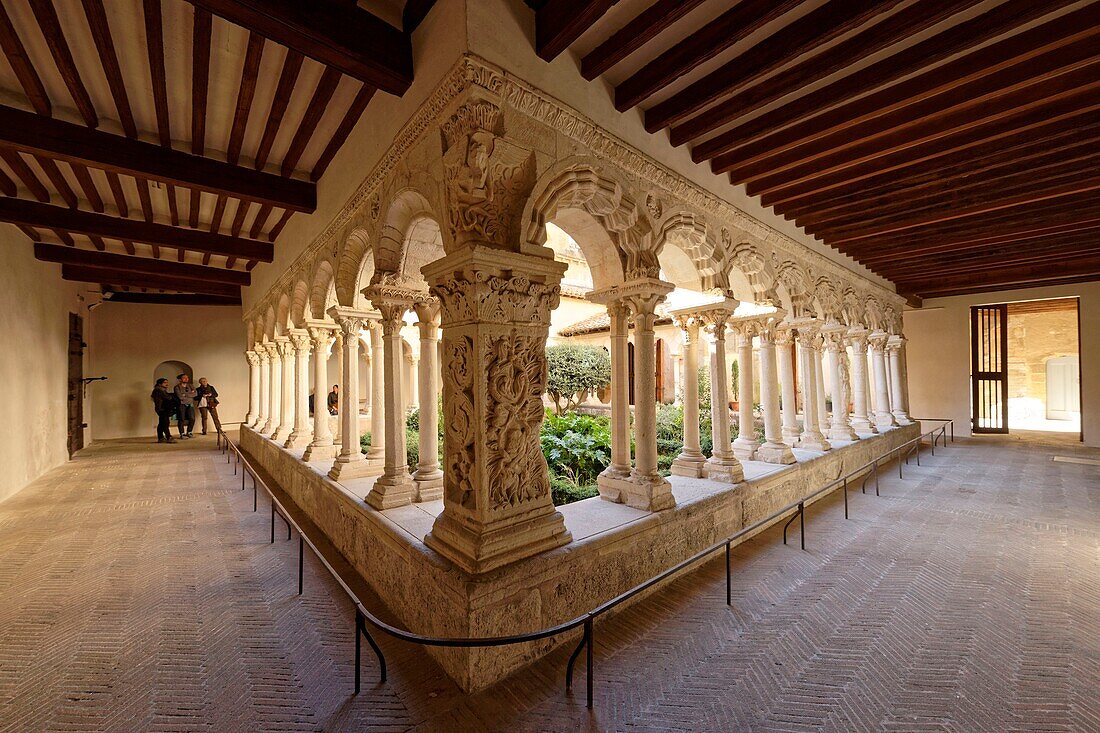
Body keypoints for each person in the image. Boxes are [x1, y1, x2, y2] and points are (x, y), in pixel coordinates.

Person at [151, 378, 177, 444]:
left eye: (167, 382)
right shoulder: (158, 390)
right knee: (165, 422)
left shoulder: (160, 390)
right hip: (162, 408)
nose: (167, 384)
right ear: (160, 384)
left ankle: (161, 437)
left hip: (162, 408)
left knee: (162, 423)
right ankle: (169, 437)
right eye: (165, 382)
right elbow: (167, 397)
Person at [174, 373, 197, 439]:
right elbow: (180, 396)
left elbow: (195, 394)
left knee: (192, 418)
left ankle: (189, 432)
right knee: (181, 419)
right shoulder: (177, 387)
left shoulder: (190, 385)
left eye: (187, 377)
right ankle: (182, 433)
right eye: (184, 377)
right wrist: (190, 394)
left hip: (190, 404)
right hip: (181, 404)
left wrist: (185, 394)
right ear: (180, 379)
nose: (186, 379)